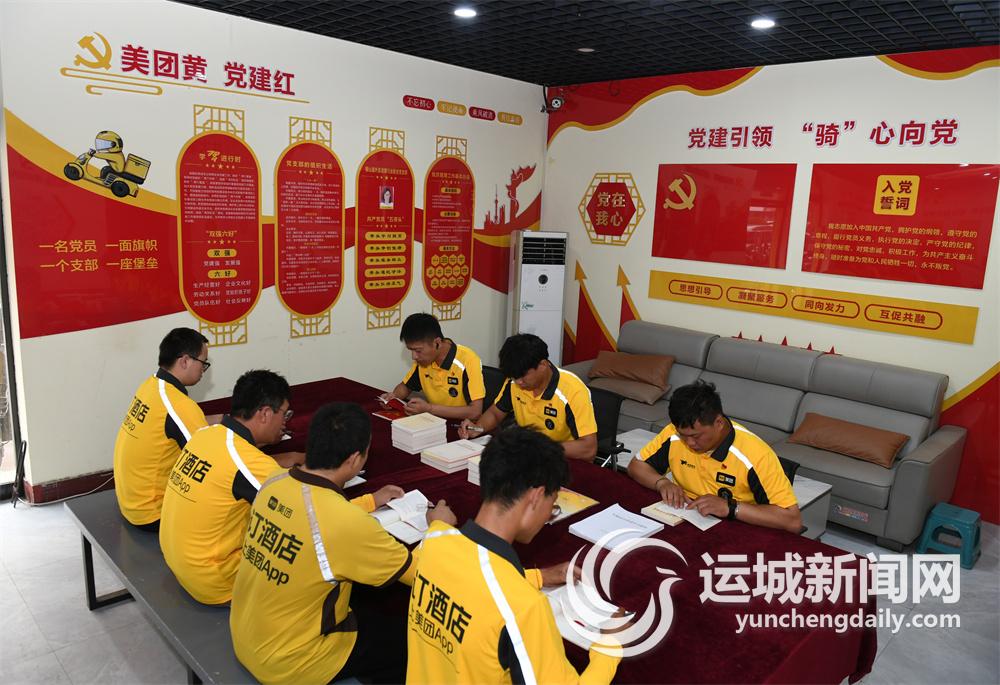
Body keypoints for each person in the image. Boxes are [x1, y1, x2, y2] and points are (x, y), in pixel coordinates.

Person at [230, 402, 457, 685]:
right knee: (410, 638)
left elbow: (313, 513)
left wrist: (370, 500)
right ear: (354, 459)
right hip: (291, 661)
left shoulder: (273, 483)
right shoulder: (346, 523)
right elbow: (419, 574)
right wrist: (438, 528)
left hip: (246, 634)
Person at [406, 426, 621, 684]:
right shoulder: (525, 608)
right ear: (536, 497)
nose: (549, 514)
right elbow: (499, 598)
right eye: (553, 505)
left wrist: (539, 577)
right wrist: (610, 644)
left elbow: (474, 586)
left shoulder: (433, 540)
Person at [627, 380, 801, 533]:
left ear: (719, 423)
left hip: (739, 529)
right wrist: (662, 483)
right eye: (683, 435)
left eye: (696, 436)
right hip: (686, 518)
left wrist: (731, 508)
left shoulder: (756, 455)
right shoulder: (674, 435)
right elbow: (636, 465)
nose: (689, 443)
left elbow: (792, 520)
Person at [113, 327, 216, 531]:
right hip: (153, 514)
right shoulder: (178, 405)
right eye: (203, 363)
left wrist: (220, 421)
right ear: (185, 361)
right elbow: (212, 459)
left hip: (131, 503)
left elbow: (180, 425)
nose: (203, 371)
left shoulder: (150, 386)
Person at [459, 334, 597, 461]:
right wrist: (477, 428)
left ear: (543, 365)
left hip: (562, 459)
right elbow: (495, 413)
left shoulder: (573, 391)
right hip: (528, 456)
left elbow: (589, 449)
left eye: (523, 376)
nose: (518, 382)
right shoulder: (514, 384)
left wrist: (538, 448)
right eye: (514, 377)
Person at [382, 312, 486, 421]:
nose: (414, 357)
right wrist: (393, 397)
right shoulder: (423, 361)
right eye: (411, 350)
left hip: (461, 425)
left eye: (418, 350)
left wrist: (429, 409)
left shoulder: (468, 360)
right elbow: (406, 387)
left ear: (437, 343)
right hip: (434, 421)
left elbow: (475, 412)